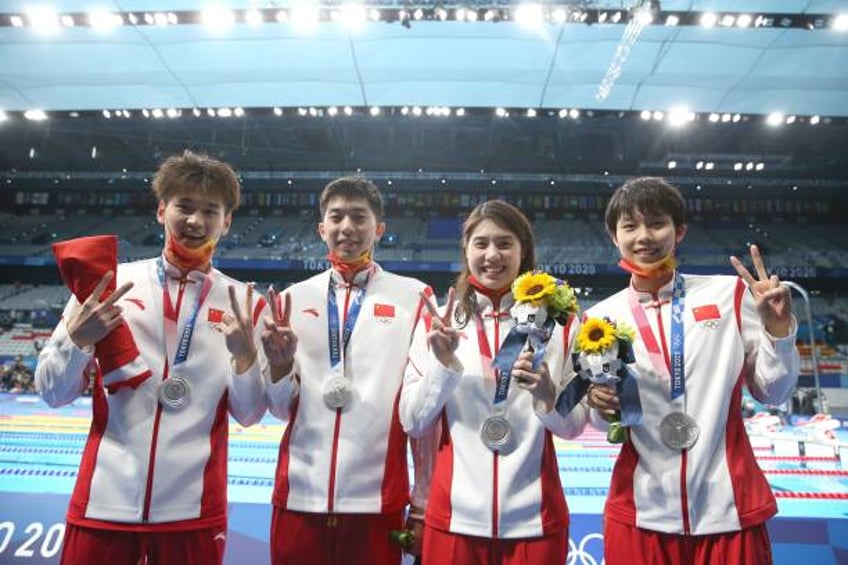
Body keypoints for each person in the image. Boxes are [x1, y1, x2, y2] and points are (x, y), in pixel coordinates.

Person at [35, 150, 269, 564]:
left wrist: (245, 358)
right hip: (103, 502)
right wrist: (78, 340)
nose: (195, 221)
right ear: (162, 210)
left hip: (193, 511)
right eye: (184, 206)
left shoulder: (244, 304)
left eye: (210, 211)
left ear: (226, 221)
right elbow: (52, 392)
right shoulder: (107, 284)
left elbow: (249, 414)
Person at [583, 176, 800, 564]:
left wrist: (778, 331)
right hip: (640, 512)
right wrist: (601, 406)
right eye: (630, 226)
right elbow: (604, 427)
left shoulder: (730, 295)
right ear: (614, 236)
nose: (644, 236)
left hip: (729, 507)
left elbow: (774, 392)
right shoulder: (599, 318)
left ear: (679, 230)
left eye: (656, 223)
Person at [399, 199, 588, 564]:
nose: (492, 255)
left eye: (504, 243)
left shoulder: (563, 326)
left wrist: (549, 399)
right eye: (481, 243)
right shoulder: (438, 322)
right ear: (466, 251)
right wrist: (443, 364)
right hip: (454, 520)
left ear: (524, 252)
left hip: (535, 521)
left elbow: (573, 427)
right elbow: (413, 421)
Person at [260, 176, 433, 565]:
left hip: (376, 499)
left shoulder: (414, 297)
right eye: (336, 217)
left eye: (359, 217)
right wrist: (279, 365)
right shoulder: (291, 300)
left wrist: (422, 505)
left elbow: (424, 420)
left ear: (379, 229)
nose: (347, 227)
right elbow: (276, 407)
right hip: (299, 494)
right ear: (322, 228)